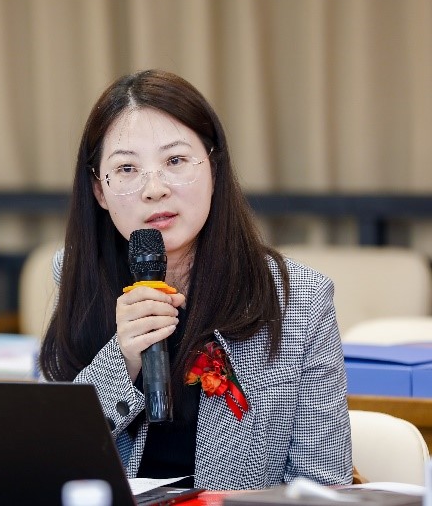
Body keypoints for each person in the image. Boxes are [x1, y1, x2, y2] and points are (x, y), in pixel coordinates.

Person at [39, 69, 353, 490]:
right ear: (99, 191)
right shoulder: (78, 274)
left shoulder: (299, 300)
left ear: (214, 168)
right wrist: (122, 359)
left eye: (175, 161)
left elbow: (323, 487)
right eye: (127, 168)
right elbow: (47, 458)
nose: (154, 189)